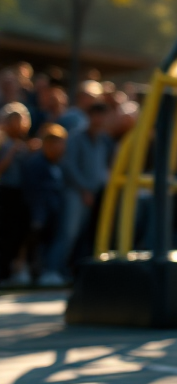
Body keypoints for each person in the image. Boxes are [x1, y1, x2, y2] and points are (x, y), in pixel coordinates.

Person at [58, 101, 113, 269]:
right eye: (97, 115)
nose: (100, 119)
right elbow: (69, 166)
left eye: (103, 115)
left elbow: (102, 168)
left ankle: (70, 270)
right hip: (75, 193)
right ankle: (52, 270)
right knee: (68, 233)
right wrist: (84, 189)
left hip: (92, 194)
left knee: (82, 235)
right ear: (90, 116)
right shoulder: (76, 137)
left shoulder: (103, 140)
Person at [22, 125, 68, 285]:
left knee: (51, 242)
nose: (60, 147)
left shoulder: (57, 164)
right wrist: (38, 217)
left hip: (53, 213)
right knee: (37, 245)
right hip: (39, 214)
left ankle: (50, 270)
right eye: (56, 143)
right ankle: (37, 272)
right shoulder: (35, 164)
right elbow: (33, 193)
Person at [0, 103, 32, 284]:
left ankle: (11, 269)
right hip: (4, 191)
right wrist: (11, 152)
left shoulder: (25, 144)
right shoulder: (3, 143)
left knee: (17, 232)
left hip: (20, 193)